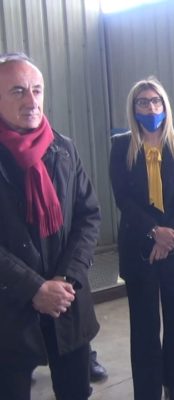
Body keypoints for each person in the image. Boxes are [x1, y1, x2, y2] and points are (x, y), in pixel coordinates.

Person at [0, 53, 101, 400]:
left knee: (75, 391)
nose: (31, 101)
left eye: (37, 90)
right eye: (18, 91)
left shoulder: (63, 148)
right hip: (9, 311)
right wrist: (34, 288)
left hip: (66, 302)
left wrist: (64, 280)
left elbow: (88, 216)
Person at [109, 77, 174, 400]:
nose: (150, 108)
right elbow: (122, 198)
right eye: (143, 102)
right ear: (133, 108)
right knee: (144, 324)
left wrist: (168, 235)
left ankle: (173, 385)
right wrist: (154, 232)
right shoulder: (121, 146)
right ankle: (147, 392)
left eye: (156, 101)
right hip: (139, 244)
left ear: (165, 105)